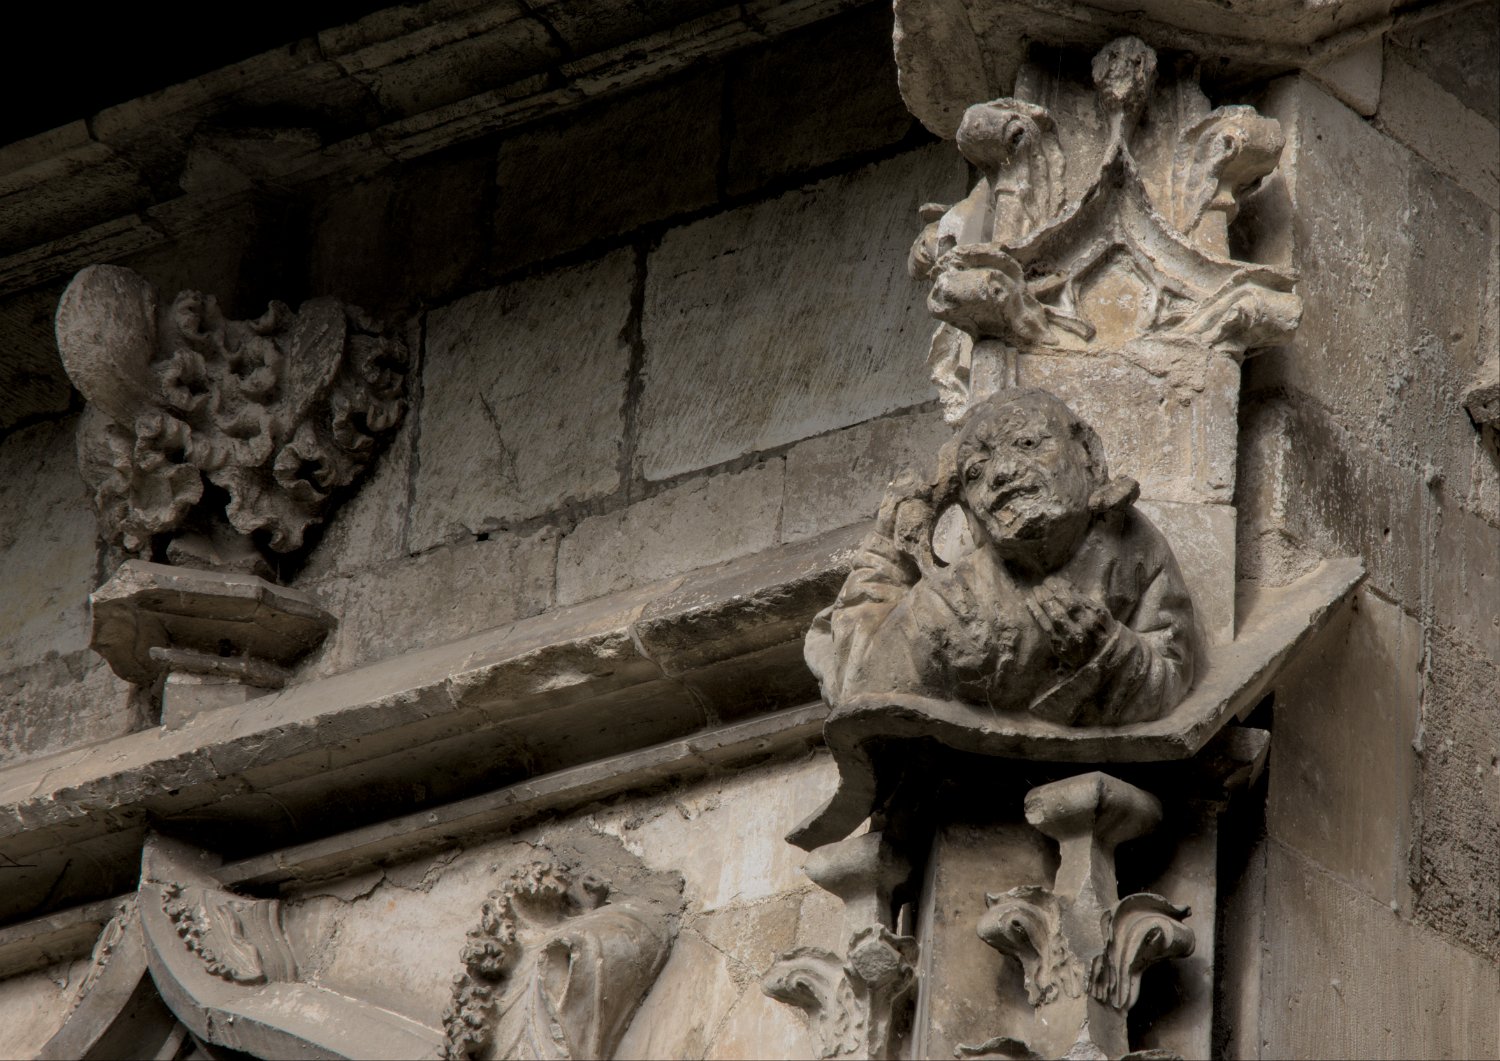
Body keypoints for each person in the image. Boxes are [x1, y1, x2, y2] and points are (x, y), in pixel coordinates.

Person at [805, 389, 1196, 727]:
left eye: (1027, 444)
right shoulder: (954, 602)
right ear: (971, 515)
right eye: (976, 471)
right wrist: (889, 547)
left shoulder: (1131, 545)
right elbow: (865, 688)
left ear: (1088, 455)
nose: (1002, 473)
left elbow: (1171, 675)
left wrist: (1108, 649)